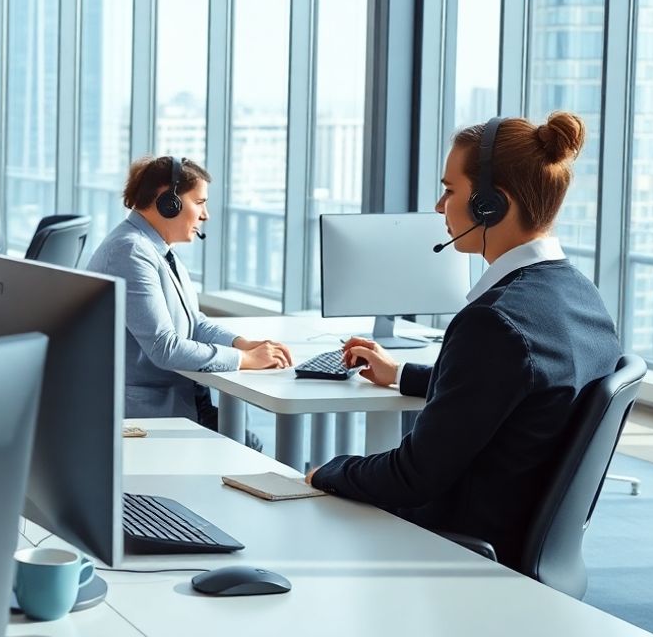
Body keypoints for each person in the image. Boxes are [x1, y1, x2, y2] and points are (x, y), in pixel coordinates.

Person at [307, 112, 621, 567]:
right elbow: (517, 386)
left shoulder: (494, 323)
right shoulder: (578, 296)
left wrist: (327, 472)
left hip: (458, 550)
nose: (439, 206)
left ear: (491, 204)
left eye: (450, 190)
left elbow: (411, 477)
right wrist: (403, 375)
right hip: (519, 542)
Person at [87, 156, 292, 443]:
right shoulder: (130, 253)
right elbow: (164, 347)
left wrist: (241, 344)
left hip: (181, 397)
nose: (205, 214)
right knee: (245, 443)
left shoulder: (157, 249)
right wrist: (243, 359)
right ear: (166, 201)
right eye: (199, 202)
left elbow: (194, 321)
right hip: (146, 413)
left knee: (247, 440)